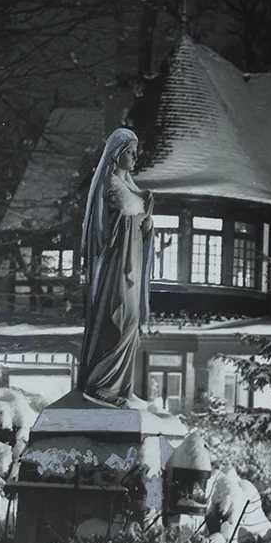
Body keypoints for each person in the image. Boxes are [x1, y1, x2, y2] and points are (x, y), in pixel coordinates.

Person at [77, 128, 155, 405]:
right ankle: (101, 385)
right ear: (117, 154)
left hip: (132, 266)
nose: (135, 158)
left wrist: (147, 219)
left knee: (131, 325)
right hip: (116, 271)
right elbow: (104, 234)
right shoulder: (108, 188)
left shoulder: (133, 189)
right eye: (131, 152)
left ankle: (119, 387)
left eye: (135, 152)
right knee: (118, 323)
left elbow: (142, 231)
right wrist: (135, 217)